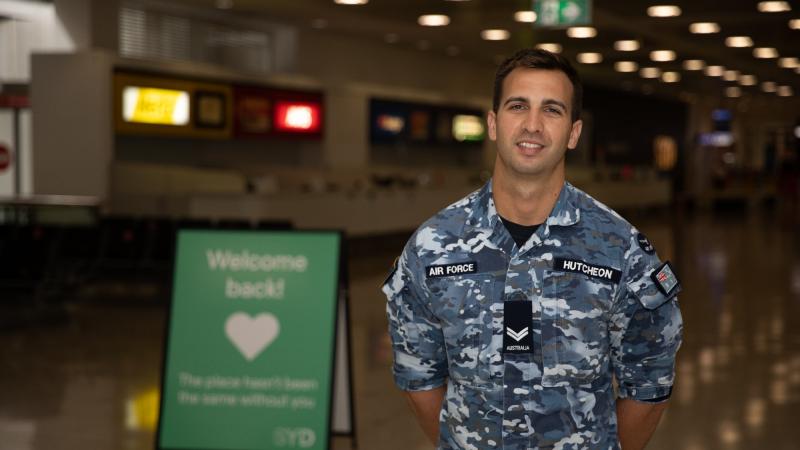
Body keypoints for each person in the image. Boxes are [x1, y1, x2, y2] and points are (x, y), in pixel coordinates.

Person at [382, 49, 683, 450]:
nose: (533, 125)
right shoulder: (432, 247)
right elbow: (418, 377)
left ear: (574, 133)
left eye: (552, 110)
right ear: (493, 122)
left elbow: (649, 382)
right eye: (518, 106)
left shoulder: (621, 249)